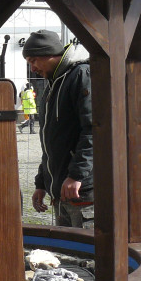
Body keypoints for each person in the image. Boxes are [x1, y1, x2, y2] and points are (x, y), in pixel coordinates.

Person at [22, 31, 94, 227]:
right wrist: (42, 183)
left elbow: (93, 131)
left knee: (87, 252)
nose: (32, 67)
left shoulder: (81, 75)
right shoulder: (53, 84)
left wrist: (76, 175)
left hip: (81, 190)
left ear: (51, 54)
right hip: (63, 190)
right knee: (68, 252)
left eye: (34, 60)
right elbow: (51, 143)